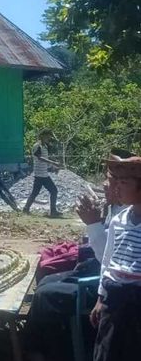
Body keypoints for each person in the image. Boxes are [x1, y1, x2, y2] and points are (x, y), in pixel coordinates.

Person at [25, 155, 128, 359]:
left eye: (111, 179)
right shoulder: (116, 208)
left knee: (45, 295)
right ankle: (38, 342)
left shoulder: (130, 217)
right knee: (46, 280)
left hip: (111, 287)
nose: (104, 184)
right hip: (101, 275)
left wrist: (93, 224)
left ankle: (55, 351)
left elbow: (109, 259)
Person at [90, 155, 141, 361]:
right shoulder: (119, 220)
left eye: (124, 182)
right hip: (115, 301)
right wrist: (101, 297)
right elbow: (108, 261)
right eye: (116, 181)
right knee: (108, 352)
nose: (116, 187)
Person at [24, 129, 63, 217]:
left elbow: (44, 161)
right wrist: (53, 163)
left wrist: (53, 167)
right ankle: (52, 211)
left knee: (48, 191)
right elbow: (39, 158)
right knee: (52, 190)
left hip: (43, 173)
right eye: (47, 136)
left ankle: (26, 209)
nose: (49, 138)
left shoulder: (44, 146)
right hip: (39, 174)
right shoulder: (37, 146)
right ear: (42, 136)